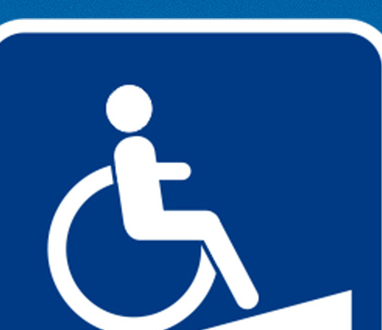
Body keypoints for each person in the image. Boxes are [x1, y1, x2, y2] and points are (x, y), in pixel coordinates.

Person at [101, 83, 264, 314]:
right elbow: (146, 174)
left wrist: (175, 171)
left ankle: (243, 291)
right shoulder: (137, 147)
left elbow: (145, 174)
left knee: (208, 221)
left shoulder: (127, 147)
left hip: (148, 218)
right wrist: (181, 171)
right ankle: (243, 292)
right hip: (147, 222)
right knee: (208, 223)